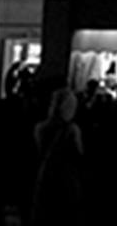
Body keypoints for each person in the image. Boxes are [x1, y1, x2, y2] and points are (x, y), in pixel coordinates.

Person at [30, 86, 85, 225]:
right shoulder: (72, 130)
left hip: (46, 173)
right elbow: (79, 153)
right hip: (67, 177)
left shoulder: (39, 128)